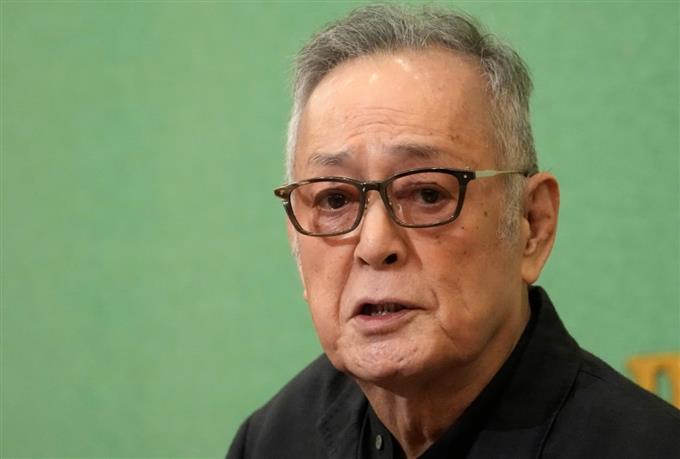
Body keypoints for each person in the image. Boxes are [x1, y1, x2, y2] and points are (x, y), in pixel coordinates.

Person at [227, 5, 680, 458]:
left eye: (427, 193)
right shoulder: (271, 442)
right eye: (335, 200)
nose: (375, 244)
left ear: (532, 225)